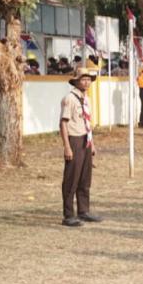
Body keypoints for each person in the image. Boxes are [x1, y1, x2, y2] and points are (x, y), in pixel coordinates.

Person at [60, 69, 102, 227]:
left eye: (89, 79)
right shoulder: (69, 99)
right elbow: (63, 123)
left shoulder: (87, 100)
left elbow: (87, 122)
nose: (87, 82)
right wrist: (67, 146)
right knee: (72, 178)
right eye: (83, 79)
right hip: (74, 140)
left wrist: (92, 144)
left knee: (85, 178)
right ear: (76, 81)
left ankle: (83, 211)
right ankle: (68, 214)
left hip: (86, 139)